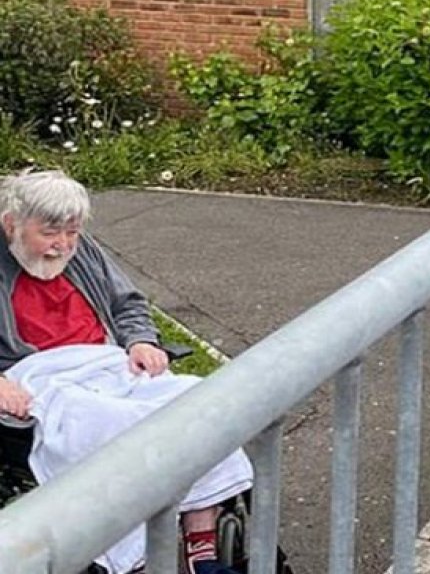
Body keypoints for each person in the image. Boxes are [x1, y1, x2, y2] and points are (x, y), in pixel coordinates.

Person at [0, 170, 251, 572]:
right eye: (49, 233)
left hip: (106, 361)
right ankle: (133, 554)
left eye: (72, 233)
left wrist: (140, 341)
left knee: (197, 402)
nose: (62, 245)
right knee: (106, 425)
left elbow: (128, 303)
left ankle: (200, 536)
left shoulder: (82, 251)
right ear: (12, 224)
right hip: (41, 375)